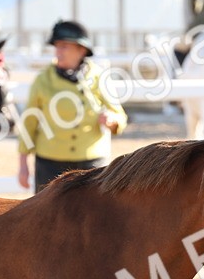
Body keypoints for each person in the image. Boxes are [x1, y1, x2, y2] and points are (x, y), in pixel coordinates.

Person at [17, 20, 127, 193]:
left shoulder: (99, 77)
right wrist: (23, 164)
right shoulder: (42, 80)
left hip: (92, 164)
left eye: (64, 47)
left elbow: (119, 115)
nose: (57, 52)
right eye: (56, 47)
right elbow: (29, 123)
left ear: (81, 50)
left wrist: (112, 120)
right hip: (50, 164)